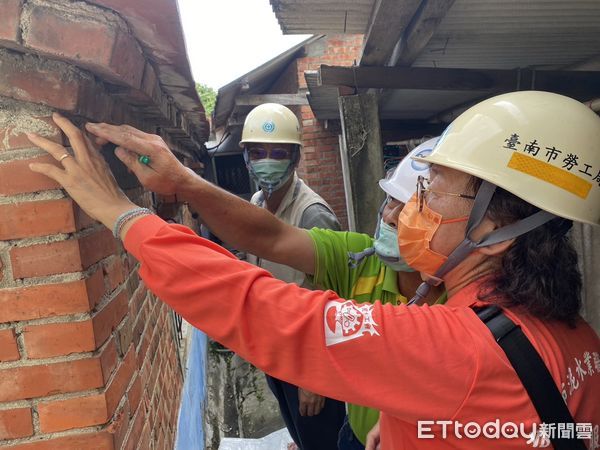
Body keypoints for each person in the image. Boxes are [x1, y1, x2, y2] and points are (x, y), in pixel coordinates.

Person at [28, 90, 599, 449]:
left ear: (496, 234)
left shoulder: (462, 349)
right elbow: (561, 429)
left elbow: (268, 310)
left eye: (432, 192)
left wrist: (123, 216)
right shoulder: (574, 335)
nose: (408, 211)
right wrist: (418, 427)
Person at [237, 103, 345, 450]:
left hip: (308, 362)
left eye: (278, 153)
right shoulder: (257, 203)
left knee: (323, 438)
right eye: (258, 153)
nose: (267, 161)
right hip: (276, 350)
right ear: (246, 158)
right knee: (300, 432)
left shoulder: (312, 214)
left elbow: (333, 305)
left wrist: (314, 376)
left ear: (296, 157)